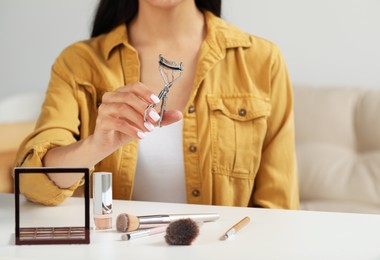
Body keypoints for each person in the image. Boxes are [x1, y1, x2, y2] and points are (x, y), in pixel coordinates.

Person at [15, 0, 299, 209]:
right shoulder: (78, 63)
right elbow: (32, 184)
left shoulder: (262, 61)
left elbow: (280, 208)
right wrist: (96, 146)